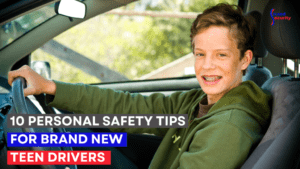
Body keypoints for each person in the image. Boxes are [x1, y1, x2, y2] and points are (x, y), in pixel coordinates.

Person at [8, 3, 272, 169]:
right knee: (73, 143)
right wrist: (51, 87)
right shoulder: (198, 103)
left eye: (221, 55)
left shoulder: (228, 127)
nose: (207, 66)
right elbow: (130, 108)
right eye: (200, 54)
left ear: (244, 60)